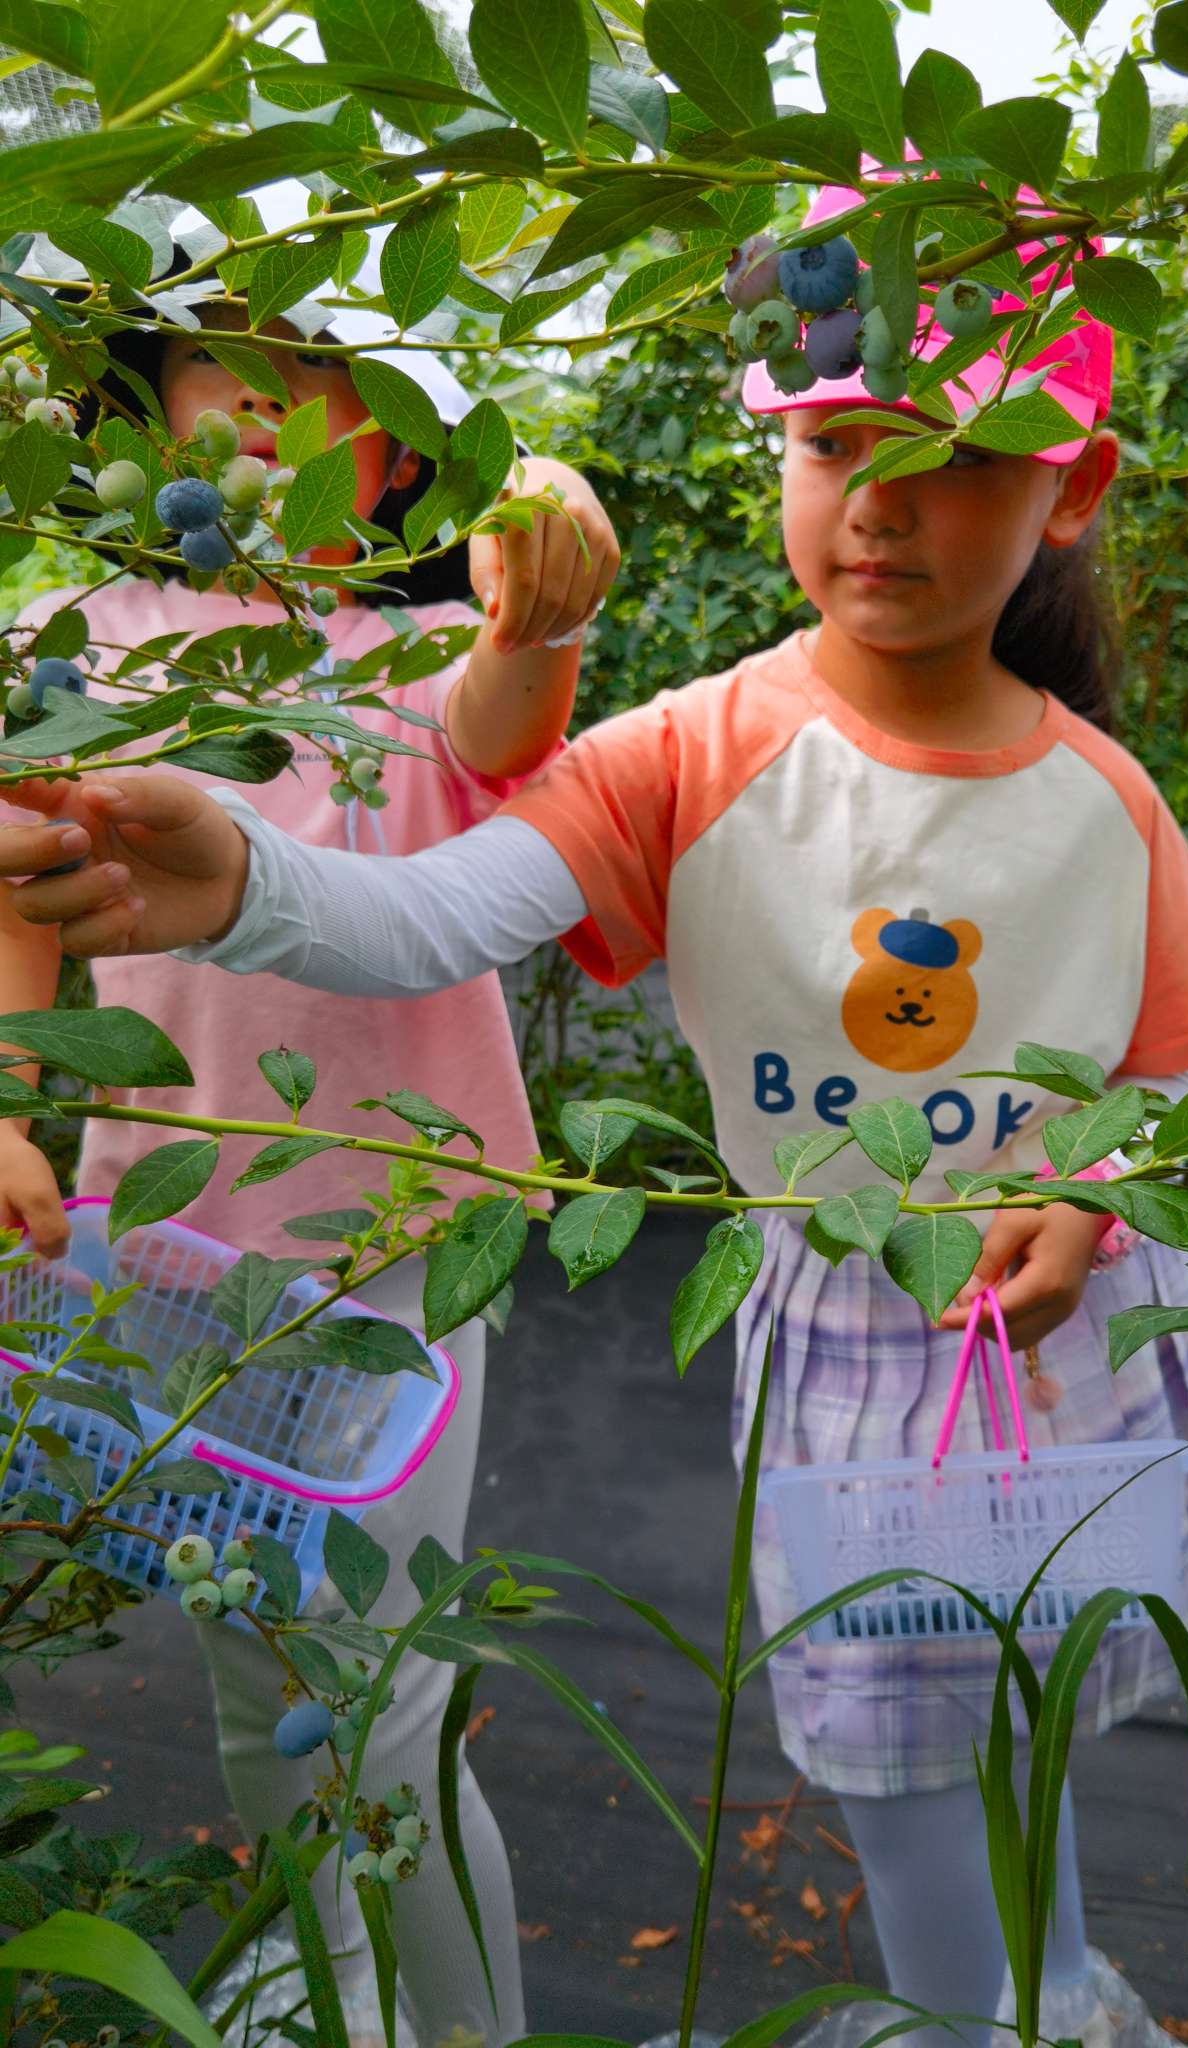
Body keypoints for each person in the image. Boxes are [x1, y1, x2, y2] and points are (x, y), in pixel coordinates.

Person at [0, 182, 1188, 2048]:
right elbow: (426, 912)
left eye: (949, 454)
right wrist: (241, 886)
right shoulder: (690, 754)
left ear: (1068, 490)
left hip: (1063, 1339)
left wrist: (1094, 1194)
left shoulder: (1101, 795)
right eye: (841, 441)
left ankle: (1033, 1996)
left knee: (1027, 1717)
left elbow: (1178, 1067)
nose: (881, 501)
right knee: (921, 1767)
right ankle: (1004, 2011)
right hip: (852, 1340)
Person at [0, 293, 619, 2048]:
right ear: (138, 411)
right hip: (178, 1240)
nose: (261, 411)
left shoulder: (402, 664)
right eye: (220, 368)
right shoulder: (78, 637)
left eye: (312, 375)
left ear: (404, 439)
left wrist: (540, 601)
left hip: (402, 1248)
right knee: (241, 1672)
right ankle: (339, 1990)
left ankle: (463, 2028)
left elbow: (504, 715)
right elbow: (18, 871)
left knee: (383, 1702)